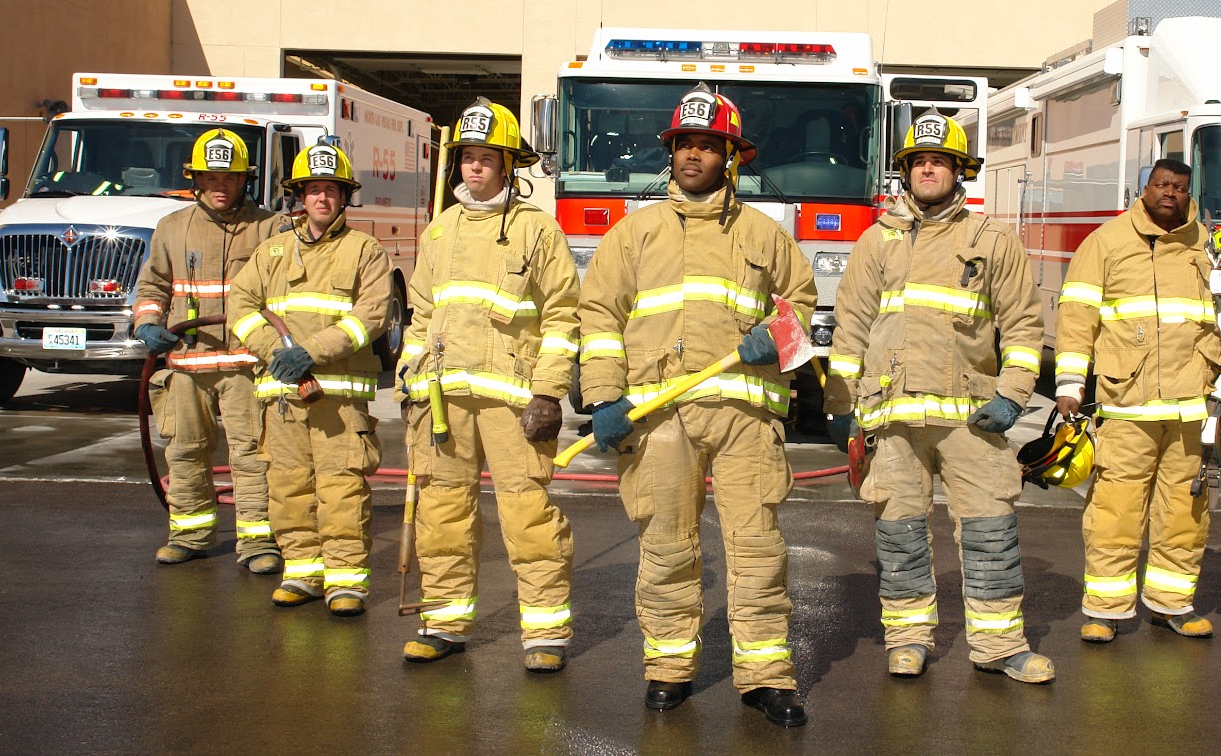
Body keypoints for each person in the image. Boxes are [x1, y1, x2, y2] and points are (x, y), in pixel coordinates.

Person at [577, 84, 817, 727]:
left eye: (708, 145)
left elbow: (802, 307)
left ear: (731, 157)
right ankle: (668, 668)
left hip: (745, 418)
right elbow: (598, 316)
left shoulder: (766, 235)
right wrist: (603, 396)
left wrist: (778, 334)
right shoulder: (633, 235)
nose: (692, 155)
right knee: (666, 547)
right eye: (684, 143)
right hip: (660, 417)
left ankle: (765, 676)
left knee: (757, 549)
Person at [823, 110, 1053, 684]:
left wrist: (1013, 394)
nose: (928, 170)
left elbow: (1024, 325)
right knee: (899, 534)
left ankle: (1001, 646)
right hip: (892, 416)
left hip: (972, 417)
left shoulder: (991, 240)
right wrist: (840, 404)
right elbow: (850, 327)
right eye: (919, 161)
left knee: (990, 531)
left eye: (940, 161)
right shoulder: (876, 242)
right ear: (905, 172)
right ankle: (907, 640)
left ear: (960, 171)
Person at [396, 98, 579, 666]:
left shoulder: (536, 230)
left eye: (486, 158)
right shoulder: (440, 231)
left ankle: (545, 635)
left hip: (513, 403)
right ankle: (444, 624)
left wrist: (548, 392)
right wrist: (408, 379)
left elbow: (563, 315)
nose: (474, 167)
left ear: (508, 165)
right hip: (442, 399)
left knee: (528, 518)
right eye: (467, 157)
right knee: (442, 514)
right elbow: (422, 316)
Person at [1054, 158, 1221, 643]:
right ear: (1144, 189)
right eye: (1162, 185)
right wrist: (1069, 384)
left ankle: (1172, 605)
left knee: (1185, 512)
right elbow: (1077, 316)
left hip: (1195, 406)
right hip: (1127, 403)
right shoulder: (1105, 242)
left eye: (1180, 187)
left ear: (1190, 193)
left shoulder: (1212, 246)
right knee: (1115, 511)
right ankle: (1105, 610)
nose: (1170, 193)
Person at [227, 138, 393, 617]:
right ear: (299, 194)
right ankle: (301, 572)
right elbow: (240, 307)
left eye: (332, 190)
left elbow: (372, 316)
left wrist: (311, 352)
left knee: (341, 491)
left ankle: (346, 583)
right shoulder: (272, 250)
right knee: (289, 488)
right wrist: (274, 351)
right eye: (314, 189)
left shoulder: (364, 250)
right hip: (283, 397)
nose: (322, 198)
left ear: (345, 197)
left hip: (338, 401)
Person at [135, 129, 285, 574]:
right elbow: (153, 285)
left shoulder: (270, 228)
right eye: (211, 177)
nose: (221, 186)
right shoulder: (172, 228)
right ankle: (189, 535)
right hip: (186, 363)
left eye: (230, 178)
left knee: (252, 455)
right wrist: (147, 323)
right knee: (185, 450)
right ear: (196, 179)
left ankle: (258, 542)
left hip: (246, 364)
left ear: (245, 181)